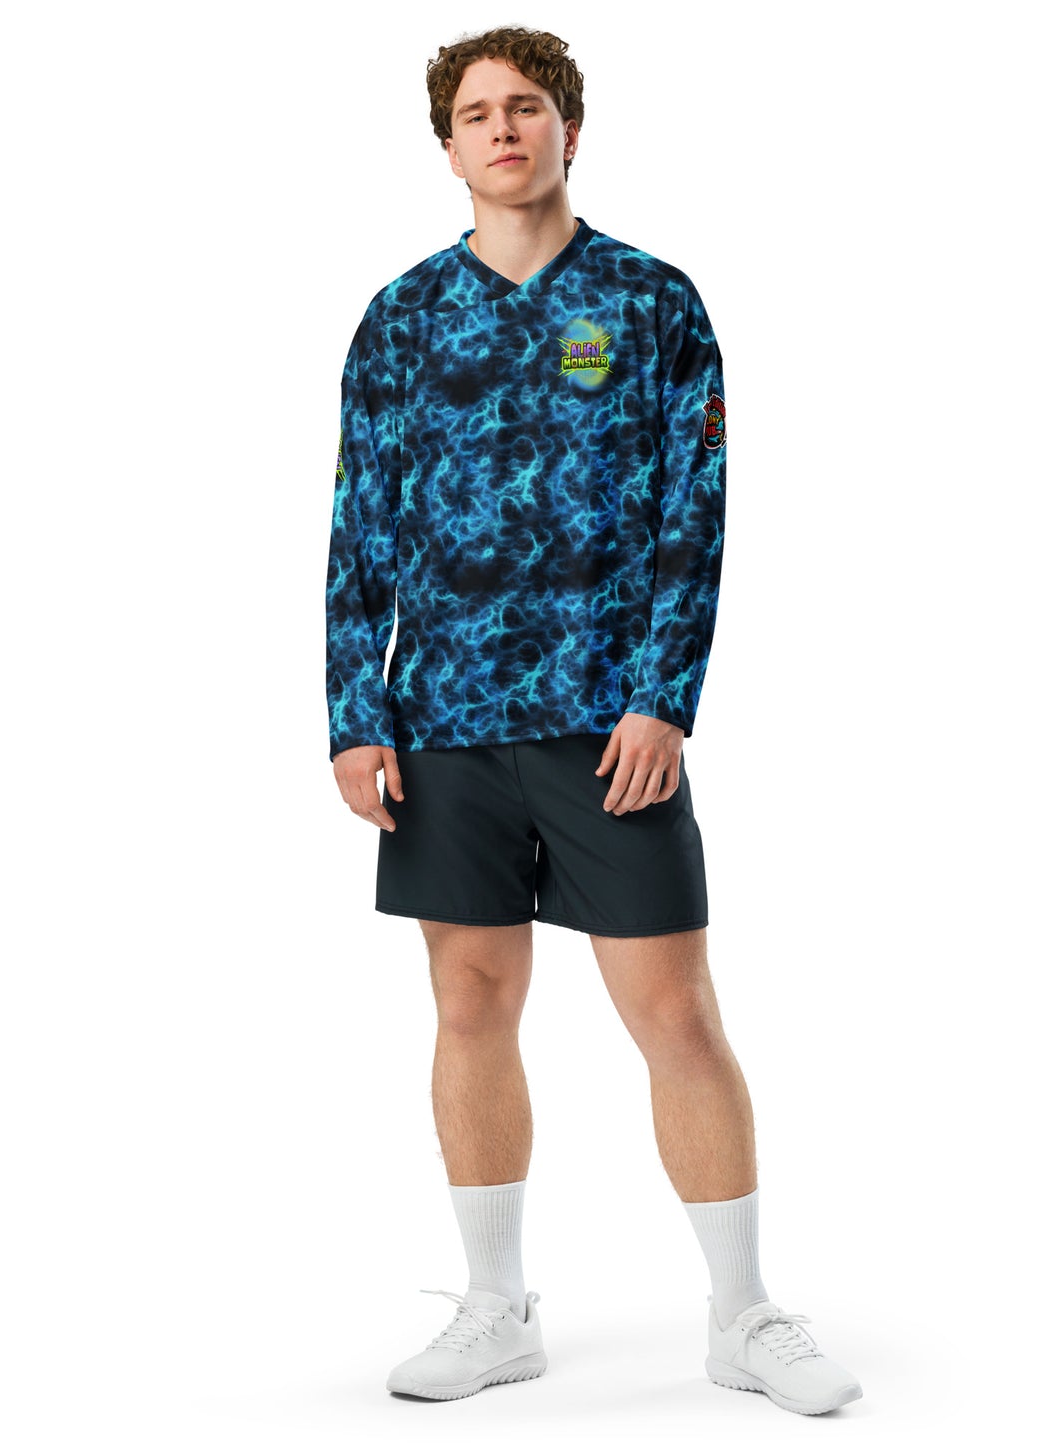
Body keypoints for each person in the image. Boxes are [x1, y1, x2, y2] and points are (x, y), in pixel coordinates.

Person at [324, 24, 862, 1415]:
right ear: (447, 146)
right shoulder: (400, 317)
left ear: (571, 127)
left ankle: (743, 1314)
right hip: (442, 718)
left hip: (606, 721)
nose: (503, 128)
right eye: (476, 113)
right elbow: (360, 523)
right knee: (468, 998)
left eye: (527, 106)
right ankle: (494, 1308)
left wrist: (662, 698)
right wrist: (353, 714)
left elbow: (696, 511)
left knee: (673, 1006)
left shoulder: (651, 301)